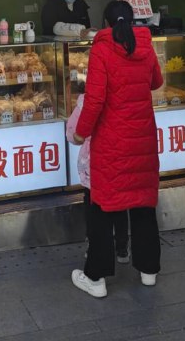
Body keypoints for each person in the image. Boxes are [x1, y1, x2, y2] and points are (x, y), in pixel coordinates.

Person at [71, 0, 163, 298]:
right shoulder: (145, 44)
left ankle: (95, 278)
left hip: (112, 139)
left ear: (106, 22)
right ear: (133, 19)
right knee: (143, 203)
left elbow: (95, 99)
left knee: (102, 207)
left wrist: (81, 132)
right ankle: (148, 270)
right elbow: (156, 82)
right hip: (142, 136)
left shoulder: (102, 48)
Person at [66, 77, 130, 274]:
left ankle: (95, 248)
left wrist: (81, 137)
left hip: (93, 164)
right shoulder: (123, 98)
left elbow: (72, 132)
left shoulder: (86, 102)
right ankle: (122, 247)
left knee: (94, 209)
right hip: (119, 160)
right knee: (120, 206)